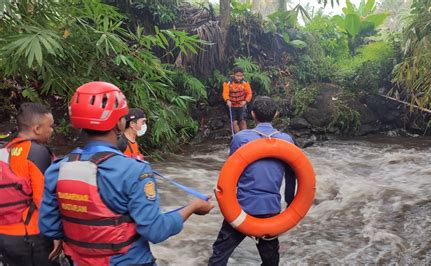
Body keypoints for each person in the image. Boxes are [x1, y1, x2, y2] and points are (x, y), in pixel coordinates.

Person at [39, 81, 214, 265]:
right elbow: (155, 231)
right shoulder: (134, 170)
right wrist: (193, 207)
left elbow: (50, 228)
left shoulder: (57, 169)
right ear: (119, 123)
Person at [208, 96, 296, 266]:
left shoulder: (241, 138)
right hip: (270, 210)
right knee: (270, 261)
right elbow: (292, 175)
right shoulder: (287, 140)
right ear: (276, 114)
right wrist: (290, 203)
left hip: (241, 208)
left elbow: (231, 172)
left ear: (253, 114)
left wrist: (225, 197)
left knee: (219, 256)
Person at [0, 103, 61, 266]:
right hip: (31, 236)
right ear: (37, 129)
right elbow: (44, 200)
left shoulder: (5, 151)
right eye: (50, 126)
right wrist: (56, 235)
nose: (52, 130)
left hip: (5, 235)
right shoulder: (37, 153)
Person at [222, 67, 253, 133]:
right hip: (232, 106)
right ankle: (238, 136)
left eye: (241, 76)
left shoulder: (245, 82)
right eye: (237, 76)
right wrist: (227, 100)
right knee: (234, 122)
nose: (239, 78)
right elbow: (225, 93)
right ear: (233, 75)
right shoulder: (227, 83)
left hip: (241, 105)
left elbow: (249, 93)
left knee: (243, 120)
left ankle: (245, 136)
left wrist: (245, 101)